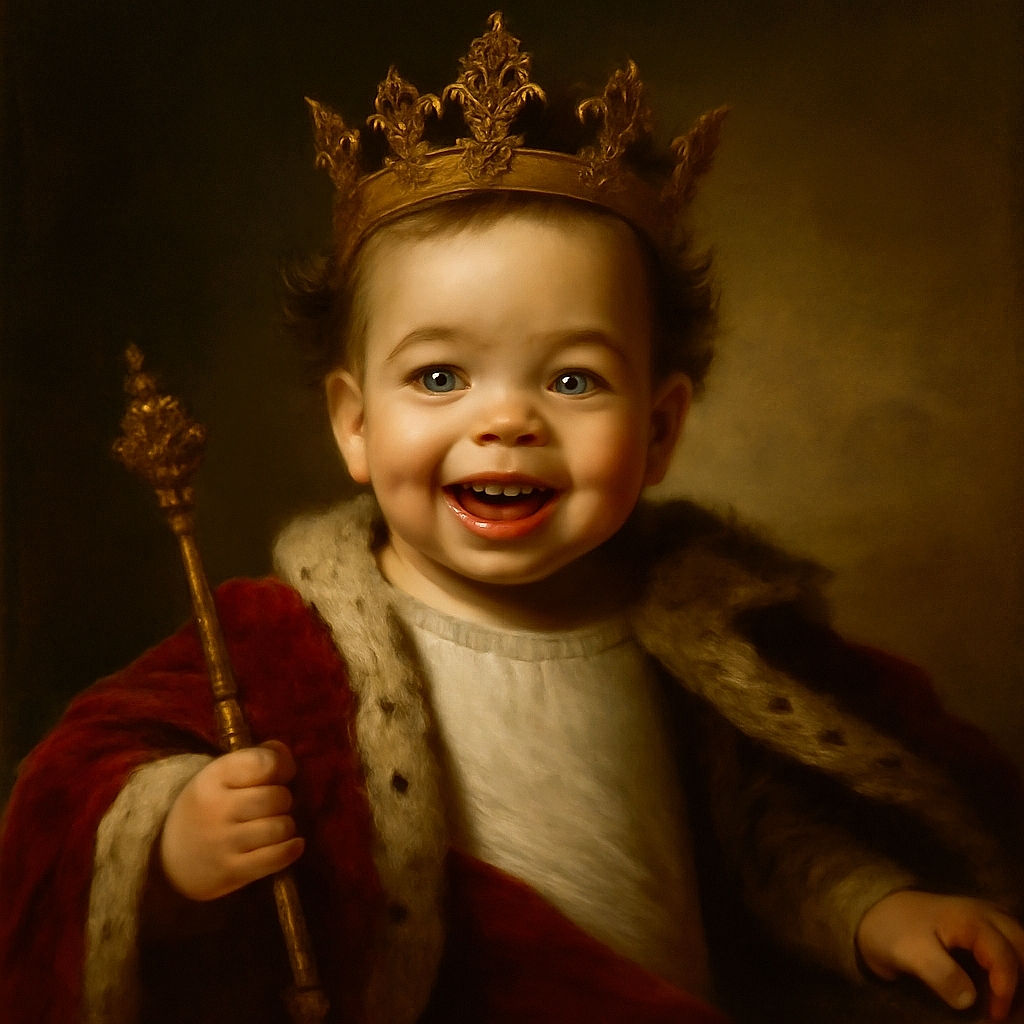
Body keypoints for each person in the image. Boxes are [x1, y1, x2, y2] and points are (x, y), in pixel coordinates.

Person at [1, 13, 1022, 1024]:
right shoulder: (279, 652)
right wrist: (176, 846)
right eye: (440, 375)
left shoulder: (696, 638)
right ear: (354, 425)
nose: (505, 421)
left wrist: (871, 909)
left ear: (659, 428)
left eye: (573, 378)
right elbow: (70, 802)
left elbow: (762, 846)